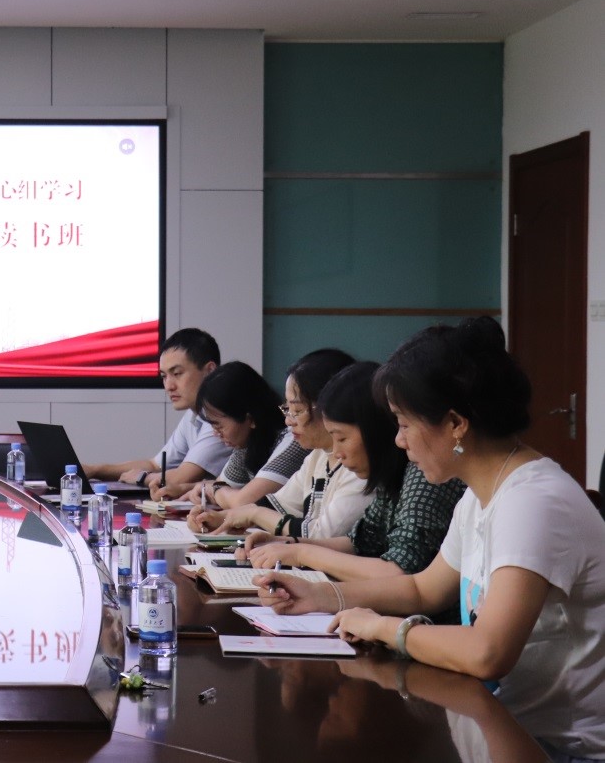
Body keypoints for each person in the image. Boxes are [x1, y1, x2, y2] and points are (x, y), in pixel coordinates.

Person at [257, 318, 605, 761]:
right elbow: (424, 588)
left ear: (455, 423)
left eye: (404, 423)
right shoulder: (480, 495)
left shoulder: (533, 502)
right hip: (499, 727)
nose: (398, 441)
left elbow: (488, 652)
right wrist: (319, 596)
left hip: (559, 749)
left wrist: (385, 628)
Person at [238, 361, 464, 589]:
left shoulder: (424, 474)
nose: (336, 452)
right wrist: (286, 543)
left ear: (375, 430)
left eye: (342, 438)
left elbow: (399, 572)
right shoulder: (390, 476)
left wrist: (300, 553)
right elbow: (360, 542)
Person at [189, 348, 372, 540]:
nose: (288, 420)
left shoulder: (360, 465)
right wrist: (221, 518)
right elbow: (277, 505)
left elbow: (321, 534)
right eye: (287, 409)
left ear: (331, 407)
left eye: (297, 410)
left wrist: (253, 514)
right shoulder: (316, 457)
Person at [83, 328, 232, 498]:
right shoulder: (193, 415)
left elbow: (181, 478)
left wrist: (141, 477)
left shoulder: (223, 417)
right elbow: (155, 465)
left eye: (177, 374)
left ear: (210, 370)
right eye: (164, 376)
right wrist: (95, 470)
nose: (169, 386)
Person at [181, 361, 310, 512]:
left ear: (250, 418)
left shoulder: (294, 439)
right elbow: (222, 488)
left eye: (219, 426)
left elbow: (243, 502)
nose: (216, 434)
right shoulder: (247, 445)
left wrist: (214, 489)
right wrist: (205, 488)